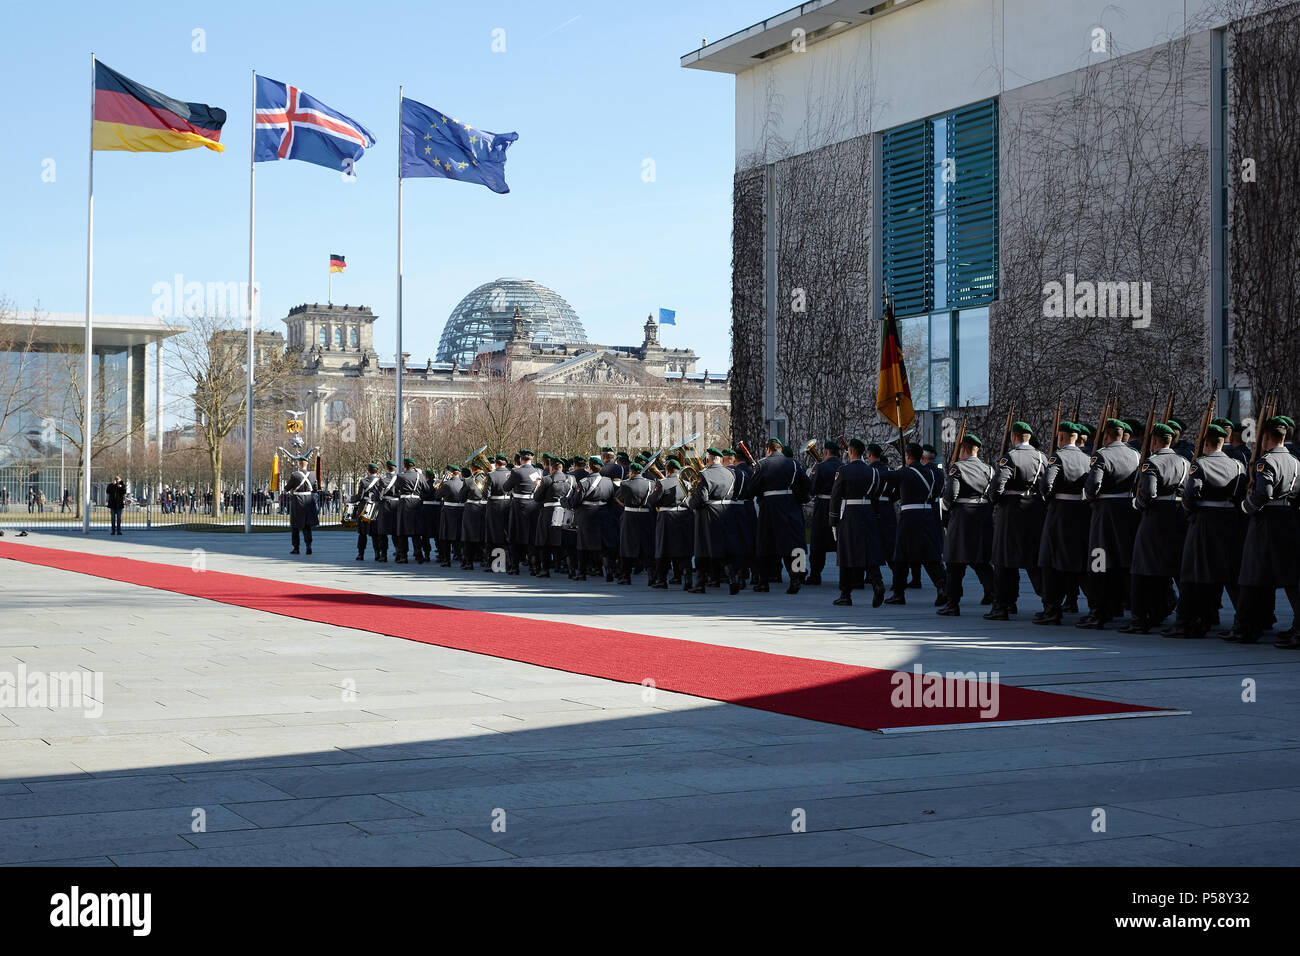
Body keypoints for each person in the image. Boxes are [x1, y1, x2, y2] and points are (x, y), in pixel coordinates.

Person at [1165, 424, 1247, 639]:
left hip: (1203, 521)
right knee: (1228, 573)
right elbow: (1239, 495)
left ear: (1206, 443)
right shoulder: (1238, 465)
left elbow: (1190, 496)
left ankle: (1186, 621)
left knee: (1193, 573)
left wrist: (1192, 513)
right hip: (1229, 521)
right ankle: (1240, 620)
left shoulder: (1200, 465)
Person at [1225, 416, 1300, 645]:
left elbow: (1263, 494)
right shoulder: (1295, 461)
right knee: (1290, 578)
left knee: (1251, 573)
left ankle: (1246, 627)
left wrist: (1247, 507)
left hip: (1265, 520)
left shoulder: (1265, 462)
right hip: (1288, 518)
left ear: (1266, 437)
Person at [1123, 423, 1190, 633]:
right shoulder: (1185, 462)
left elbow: (1148, 493)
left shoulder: (1151, 463)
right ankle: (1177, 612)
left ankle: (1140, 618)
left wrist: (1138, 504)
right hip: (1178, 515)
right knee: (1174, 566)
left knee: (1143, 568)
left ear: (1154, 441)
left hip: (1155, 516)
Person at [1078, 418, 1141, 629]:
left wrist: (1090, 498)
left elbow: (1093, 484)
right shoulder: (1136, 454)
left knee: (1099, 563)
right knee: (1124, 563)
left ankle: (1098, 612)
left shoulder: (1102, 455)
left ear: (1106, 436)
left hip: (1105, 514)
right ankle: (1130, 609)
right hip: (1128, 511)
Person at [1034, 422, 1092, 625]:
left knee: (1050, 562)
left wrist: (1049, 498)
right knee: (1081, 562)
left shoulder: (1057, 457)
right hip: (1082, 512)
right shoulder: (1088, 457)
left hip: (1059, 512)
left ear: (1061, 438)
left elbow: (1047, 484)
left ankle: (1052, 609)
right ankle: (1096, 607)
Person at [986, 422, 1046, 620]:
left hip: (1011, 512)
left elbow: (997, 486)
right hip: (1034, 511)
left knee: (1004, 562)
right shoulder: (1042, 457)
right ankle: (1049, 602)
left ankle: (1003, 605)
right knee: (1033, 560)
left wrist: (995, 499)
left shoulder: (1010, 457)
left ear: (1014, 437)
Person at [938, 434, 996, 616]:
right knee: (981, 562)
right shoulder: (989, 469)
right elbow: (993, 494)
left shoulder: (958, 468)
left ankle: (952, 604)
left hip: (962, 518)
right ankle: (997, 598)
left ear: (963, 449)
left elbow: (950, 495)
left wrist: (944, 512)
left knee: (955, 564)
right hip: (983, 517)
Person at [885, 443, 946, 606]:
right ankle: (942, 587)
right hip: (927, 515)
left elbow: (887, 478)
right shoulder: (933, 473)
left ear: (908, 456)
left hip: (910, 516)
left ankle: (898, 594)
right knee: (929, 554)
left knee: (900, 556)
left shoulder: (905, 472)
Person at [829, 438, 887, 607]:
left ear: (851, 452)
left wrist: (833, 520)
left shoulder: (844, 471)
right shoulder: (873, 472)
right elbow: (876, 497)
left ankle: (845, 594)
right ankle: (877, 583)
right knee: (868, 553)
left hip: (851, 515)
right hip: (868, 513)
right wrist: (875, 516)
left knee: (846, 553)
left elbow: (835, 498)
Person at [750, 438, 810, 593]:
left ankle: (763, 581)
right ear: (780, 449)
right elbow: (805, 484)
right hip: (790, 505)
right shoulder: (794, 463)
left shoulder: (762, 464)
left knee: (765, 544)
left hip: (769, 507)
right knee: (793, 544)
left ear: (768, 449)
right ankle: (795, 578)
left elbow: (752, 488)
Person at [648, 458, 694, 589]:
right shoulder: (687, 483)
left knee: (663, 549)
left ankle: (662, 580)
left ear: (667, 470)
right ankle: (687, 579)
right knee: (684, 549)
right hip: (684, 517)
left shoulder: (662, 483)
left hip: (666, 518)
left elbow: (652, 501)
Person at [806, 440, 842, 586]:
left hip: (822, 507)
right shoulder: (843, 466)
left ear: (826, 452)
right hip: (839, 506)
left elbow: (812, 489)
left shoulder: (820, 467)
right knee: (840, 541)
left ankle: (815, 575)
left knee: (817, 542)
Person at [614, 459, 656, 585]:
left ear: (631, 472)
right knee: (647, 547)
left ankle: (626, 577)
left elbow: (618, 498)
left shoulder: (625, 484)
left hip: (629, 516)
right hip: (645, 516)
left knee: (626, 547)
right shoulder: (650, 483)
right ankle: (651, 576)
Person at [285, 457, 319, 555]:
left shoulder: (295, 475)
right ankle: (308, 546)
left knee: (295, 526)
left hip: (297, 502)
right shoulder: (312, 475)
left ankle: (296, 548)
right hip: (308, 502)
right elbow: (315, 488)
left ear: (299, 464)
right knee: (307, 526)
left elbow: (287, 488)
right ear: (306, 464)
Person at [351, 463, 383, 560]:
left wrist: (351, 499)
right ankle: (377, 553)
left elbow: (360, 497)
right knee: (375, 533)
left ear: (368, 471)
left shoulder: (364, 481)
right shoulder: (380, 481)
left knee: (362, 533)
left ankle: (361, 554)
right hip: (375, 508)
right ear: (377, 471)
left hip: (365, 507)